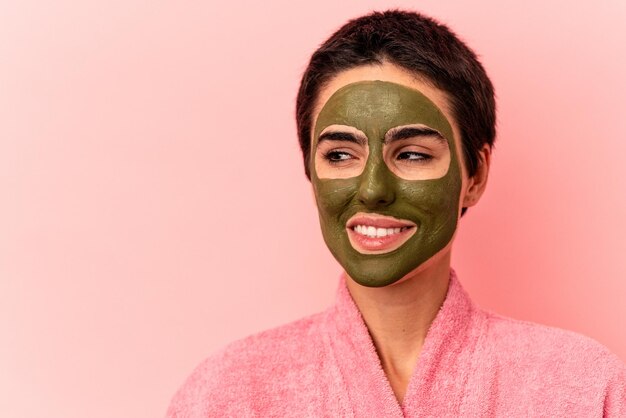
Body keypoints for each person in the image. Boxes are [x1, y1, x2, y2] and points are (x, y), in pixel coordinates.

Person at [167, 10, 625, 417]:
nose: (372, 190)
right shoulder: (223, 395)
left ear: (476, 175)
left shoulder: (585, 386)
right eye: (341, 155)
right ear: (311, 171)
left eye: (412, 155)